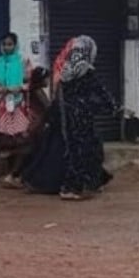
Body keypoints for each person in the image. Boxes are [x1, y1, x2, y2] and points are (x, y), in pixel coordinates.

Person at [21, 36, 117, 200]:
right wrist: (113, 107)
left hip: (66, 118)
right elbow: (99, 92)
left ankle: (80, 185)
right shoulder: (84, 70)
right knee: (83, 151)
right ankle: (73, 188)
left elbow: (61, 97)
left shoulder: (65, 71)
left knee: (71, 151)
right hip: (79, 119)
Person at [2, 66, 51, 188]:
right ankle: (14, 176)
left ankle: (18, 176)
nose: (48, 81)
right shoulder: (37, 92)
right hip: (35, 127)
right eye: (46, 79)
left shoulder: (31, 91)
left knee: (29, 152)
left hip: (32, 126)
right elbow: (46, 109)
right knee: (28, 152)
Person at [0, 32, 31, 167]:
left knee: (20, 135)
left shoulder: (22, 62)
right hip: (4, 104)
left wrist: (19, 87)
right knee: (6, 136)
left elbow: (29, 81)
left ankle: (18, 170)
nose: (7, 47)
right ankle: (8, 170)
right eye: (4, 44)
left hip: (19, 103)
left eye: (10, 44)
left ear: (15, 45)